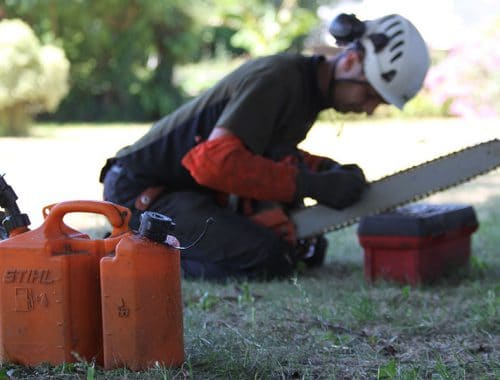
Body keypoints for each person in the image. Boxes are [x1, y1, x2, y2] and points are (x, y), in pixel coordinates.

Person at [100, 13, 430, 280]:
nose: (370, 108)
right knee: (267, 257)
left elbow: (265, 153)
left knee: (306, 247)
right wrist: (312, 185)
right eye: (370, 94)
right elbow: (215, 162)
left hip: (193, 190)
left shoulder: (307, 93)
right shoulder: (280, 79)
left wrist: (323, 169)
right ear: (349, 63)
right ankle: (134, 252)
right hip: (145, 193)